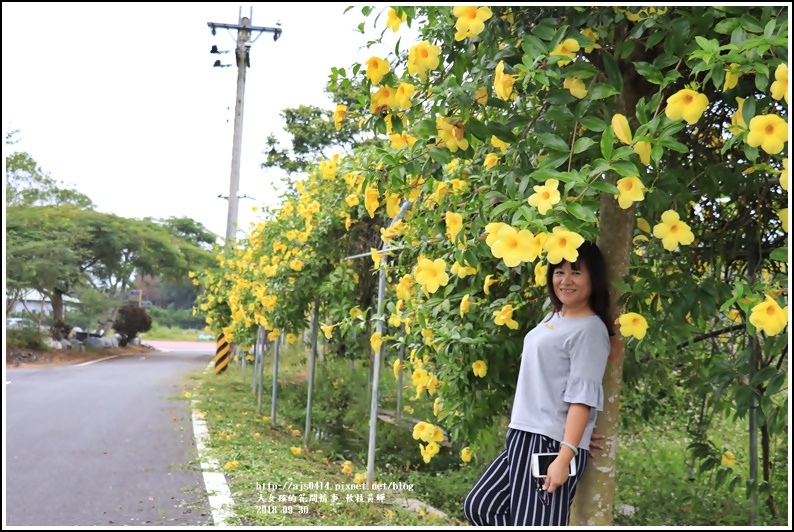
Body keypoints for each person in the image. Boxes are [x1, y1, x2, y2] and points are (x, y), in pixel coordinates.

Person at [463, 240, 615, 526]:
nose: (565, 280)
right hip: (523, 435)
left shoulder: (590, 330)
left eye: (576, 272)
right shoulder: (554, 316)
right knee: (481, 506)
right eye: (559, 272)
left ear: (593, 278)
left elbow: (582, 397)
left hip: (549, 444)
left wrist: (567, 452)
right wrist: (578, 434)